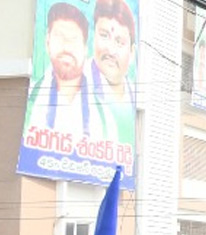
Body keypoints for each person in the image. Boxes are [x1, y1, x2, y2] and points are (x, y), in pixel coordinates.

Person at [25, 2, 103, 137]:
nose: (66, 46)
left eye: (73, 39)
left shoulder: (103, 113)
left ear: (85, 49)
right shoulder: (32, 99)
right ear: (47, 41)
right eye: (59, 36)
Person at [89, 0, 137, 146]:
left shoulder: (135, 94)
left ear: (132, 52)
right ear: (93, 37)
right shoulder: (74, 84)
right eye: (104, 35)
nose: (110, 50)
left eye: (119, 42)